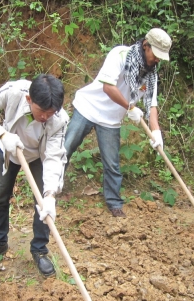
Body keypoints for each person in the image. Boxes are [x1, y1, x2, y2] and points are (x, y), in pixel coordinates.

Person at [0, 74, 68, 277]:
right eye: (41, 111)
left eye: (50, 113)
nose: (45, 117)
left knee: (42, 204)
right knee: (0, 194)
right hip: (9, 147)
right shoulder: (14, 92)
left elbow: (54, 157)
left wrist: (50, 194)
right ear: (29, 100)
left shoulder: (59, 119)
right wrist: (2, 135)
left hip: (38, 156)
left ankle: (39, 250)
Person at [64, 28, 172, 218]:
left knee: (112, 164)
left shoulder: (151, 76)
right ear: (145, 45)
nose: (157, 59)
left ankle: (114, 202)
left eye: (160, 57)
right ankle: (47, 188)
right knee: (66, 148)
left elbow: (152, 106)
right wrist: (129, 107)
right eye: (155, 54)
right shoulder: (121, 55)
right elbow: (108, 87)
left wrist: (156, 132)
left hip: (111, 119)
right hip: (88, 107)